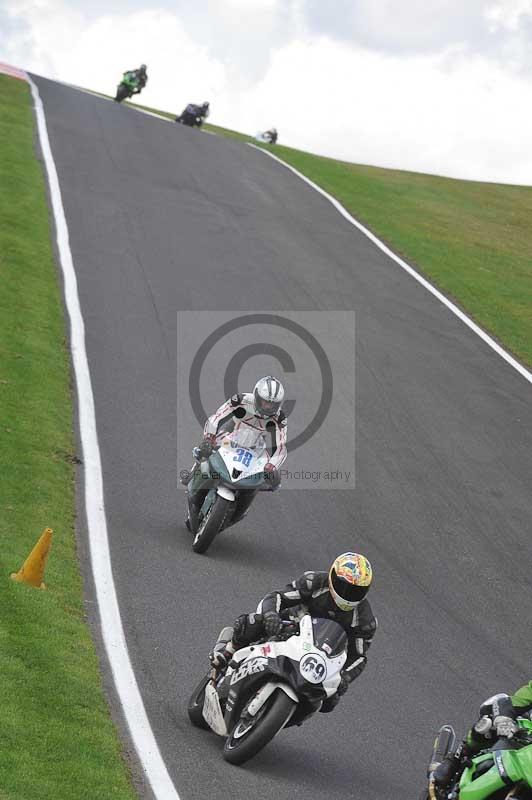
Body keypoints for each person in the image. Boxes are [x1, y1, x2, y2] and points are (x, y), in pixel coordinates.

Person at [209, 552, 377, 713]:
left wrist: (344, 677)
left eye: (356, 591)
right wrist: (270, 615)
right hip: (289, 627)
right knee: (253, 623)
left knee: (330, 702)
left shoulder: (364, 620)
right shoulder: (314, 582)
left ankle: (285, 714)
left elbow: (359, 656)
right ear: (332, 576)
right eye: (343, 586)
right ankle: (229, 650)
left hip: (320, 657)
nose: (347, 594)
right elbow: (278, 597)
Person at [182, 376, 287, 524]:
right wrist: (208, 437)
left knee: (269, 478)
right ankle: (195, 470)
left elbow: (281, 447)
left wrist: (272, 466)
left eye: (271, 404)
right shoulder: (241, 400)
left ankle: (241, 507)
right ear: (256, 396)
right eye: (264, 401)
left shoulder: (280, 418)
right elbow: (216, 417)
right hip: (231, 435)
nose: (267, 407)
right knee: (205, 450)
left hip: (255, 447)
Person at [433, 681, 532, 798]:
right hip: (524, 733)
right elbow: (506, 703)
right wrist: (503, 720)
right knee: (488, 722)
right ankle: (456, 758)